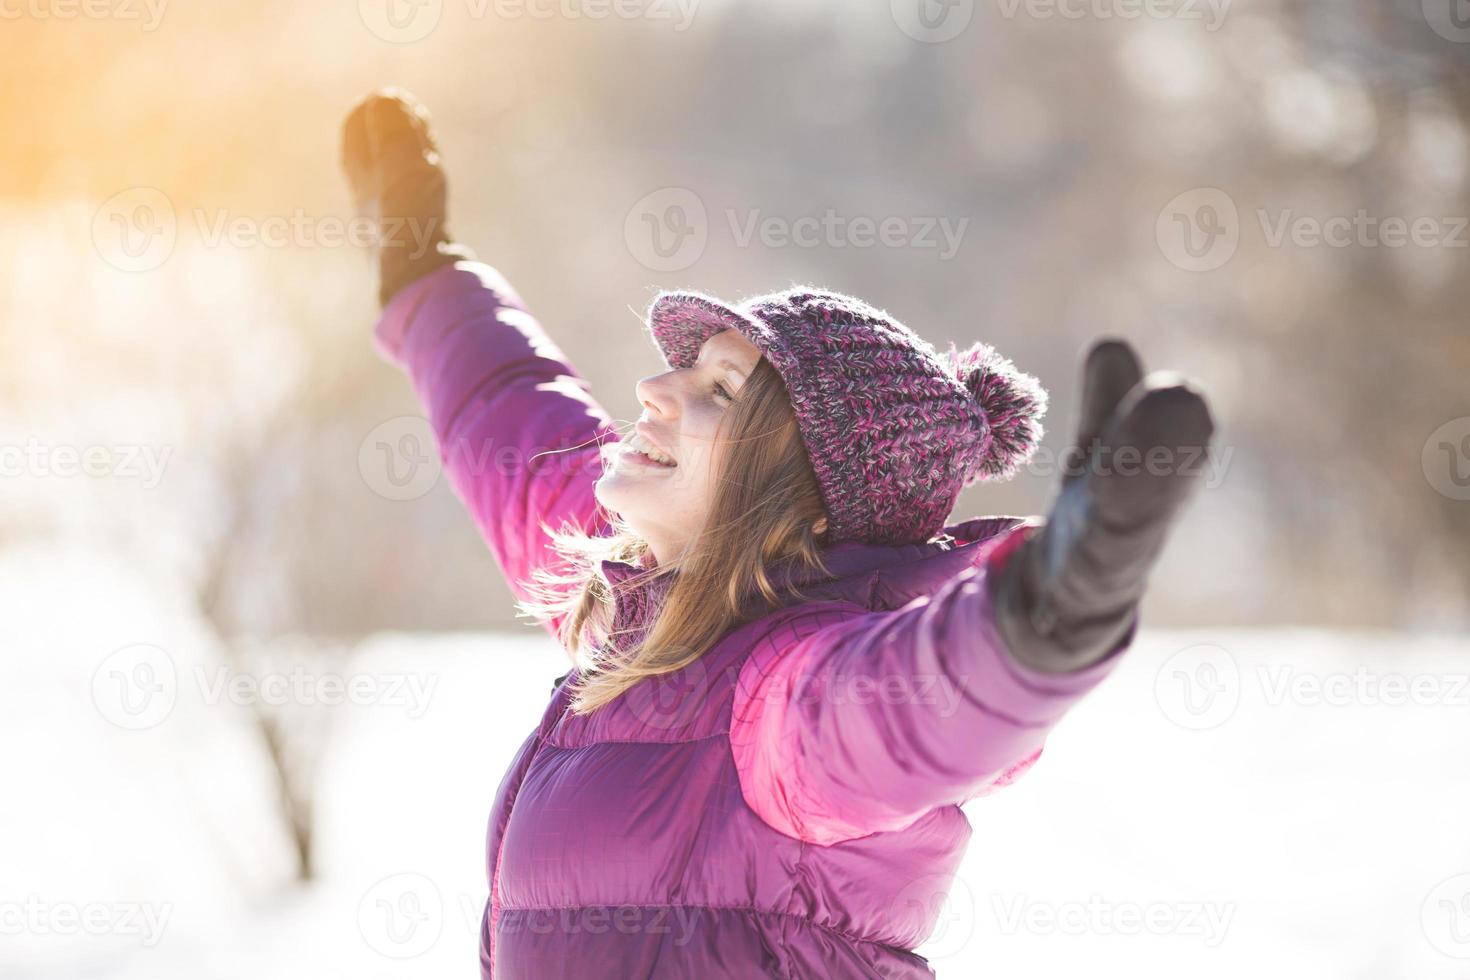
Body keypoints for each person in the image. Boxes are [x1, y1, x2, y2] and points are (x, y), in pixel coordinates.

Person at [340, 89, 1215, 980]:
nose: (655, 388)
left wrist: (1049, 614)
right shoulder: (635, 606)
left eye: (719, 391)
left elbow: (921, 704)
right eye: (685, 366)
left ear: (807, 501)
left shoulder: (784, 700)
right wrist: (425, 274)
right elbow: (515, 432)